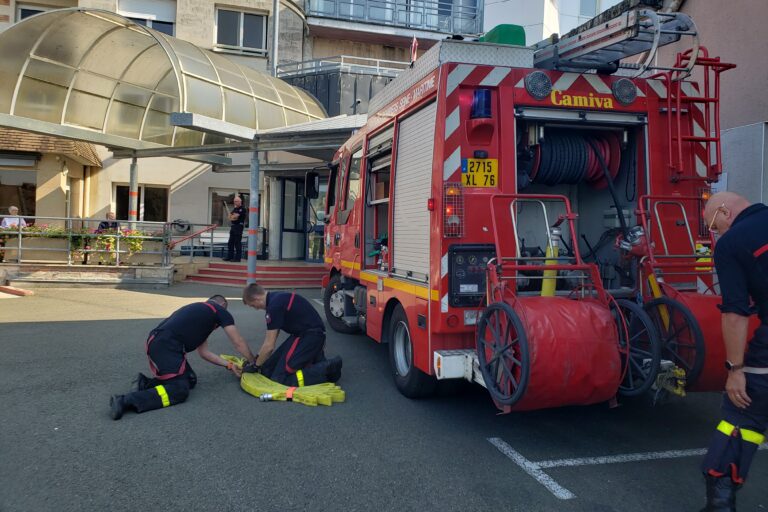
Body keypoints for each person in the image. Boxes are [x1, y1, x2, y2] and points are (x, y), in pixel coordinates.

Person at [700, 192, 768, 511]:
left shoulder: (732, 244)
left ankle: (721, 501)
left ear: (725, 212)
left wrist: (735, 370)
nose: (715, 234)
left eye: (713, 226)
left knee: (743, 409)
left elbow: (736, 313)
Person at [109, 294, 257, 420]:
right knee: (179, 390)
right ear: (223, 304)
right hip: (167, 346)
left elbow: (204, 353)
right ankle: (124, 401)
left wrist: (229, 365)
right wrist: (253, 362)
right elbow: (238, 342)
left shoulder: (200, 313)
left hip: (159, 342)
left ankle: (145, 384)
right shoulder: (219, 311)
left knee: (190, 379)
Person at [242, 283, 342, 387]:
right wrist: (257, 361)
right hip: (303, 335)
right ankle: (316, 359)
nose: (256, 308)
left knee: (279, 379)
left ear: (257, 298)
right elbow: (271, 339)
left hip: (311, 337)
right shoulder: (276, 298)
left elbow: (269, 346)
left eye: (253, 305)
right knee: (267, 370)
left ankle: (328, 368)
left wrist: (255, 366)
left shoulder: (274, 306)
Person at [223, 195, 246, 262]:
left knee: (237, 242)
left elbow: (234, 217)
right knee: (230, 242)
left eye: (236, 201)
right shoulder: (235, 209)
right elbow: (230, 218)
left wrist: (232, 216)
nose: (235, 203)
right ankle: (230, 256)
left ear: (240, 201)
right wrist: (232, 216)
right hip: (233, 226)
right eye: (234, 201)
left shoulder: (242, 209)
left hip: (239, 226)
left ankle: (237, 258)